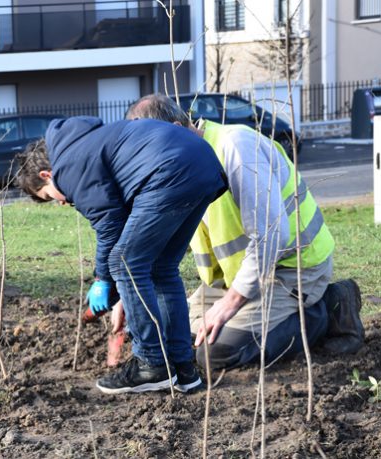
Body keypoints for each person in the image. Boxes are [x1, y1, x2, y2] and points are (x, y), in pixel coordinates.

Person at [124, 93, 364, 371]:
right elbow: (154, 245)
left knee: (214, 354)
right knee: (174, 340)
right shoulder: (179, 167)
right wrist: (130, 299)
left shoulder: (236, 147)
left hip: (290, 271)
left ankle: (330, 308)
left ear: (176, 131)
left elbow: (270, 236)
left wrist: (229, 305)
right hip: (237, 278)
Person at [17, 116, 228, 394]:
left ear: (47, 175)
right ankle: (183, 366)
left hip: (170, 171)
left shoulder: (68, 166)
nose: (61, 202)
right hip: (203, 165)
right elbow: (126, 225)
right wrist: (117, 289)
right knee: (161, 267)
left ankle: (151, 364)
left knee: (125, 263)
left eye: (49, 196)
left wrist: (103, 279)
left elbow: (110, 227)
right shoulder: (86, 143)